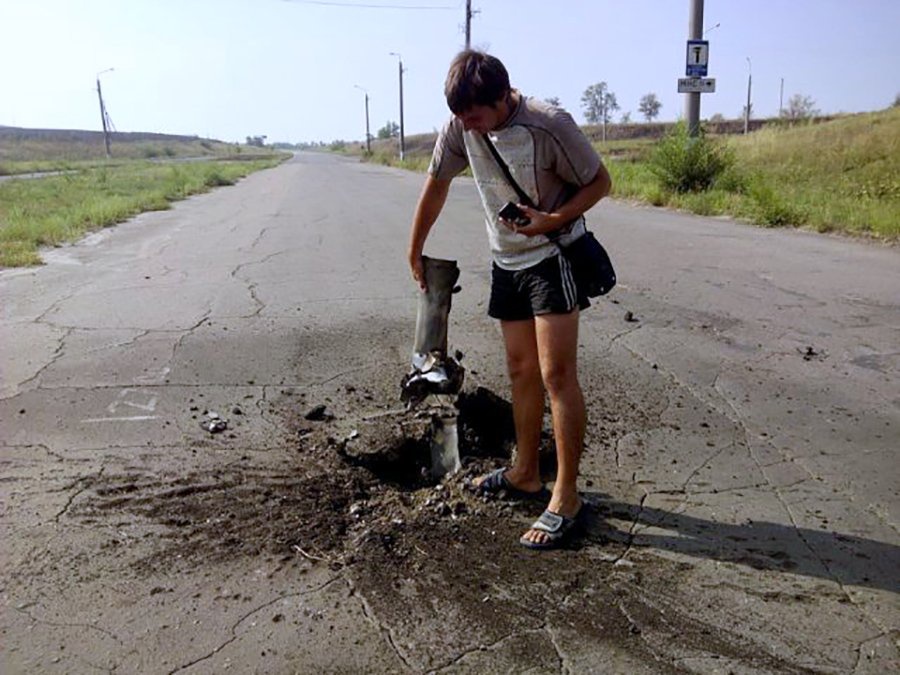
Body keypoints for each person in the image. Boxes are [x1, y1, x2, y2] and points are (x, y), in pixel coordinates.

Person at [407, 50, 611, 549]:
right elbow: (435, 187)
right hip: (507, 261)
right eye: (459, 114)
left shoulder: (549, 124)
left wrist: (550, 221)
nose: (465, 124)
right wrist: (414, 248)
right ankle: (524, 472)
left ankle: (566, 496)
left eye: (474, 115)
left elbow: (601, 182)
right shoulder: (459, 127)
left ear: (503, 97)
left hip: (552, 256)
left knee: (556, 374)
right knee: (521, 370)